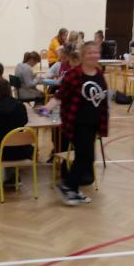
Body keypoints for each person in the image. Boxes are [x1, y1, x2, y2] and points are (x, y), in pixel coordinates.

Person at [45, 41, 109, 206]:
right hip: (77, 123)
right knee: (85, 156)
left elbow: (101, 96)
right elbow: (61, 95)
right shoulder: (74, 74)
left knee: (86, 158)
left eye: (96, 52)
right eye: (90, 53)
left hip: (93, 122)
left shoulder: (99, 73)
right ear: (83, 55)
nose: (94, 55)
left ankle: (71, 188)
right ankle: (67, 185)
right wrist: (47, 108)